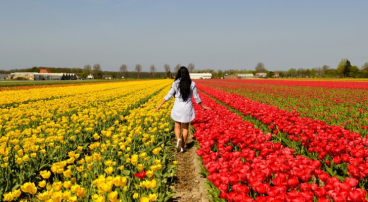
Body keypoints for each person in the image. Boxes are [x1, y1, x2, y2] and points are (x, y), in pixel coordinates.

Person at [156, 66, 210, 153]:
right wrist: (203, 106)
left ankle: (178, 140)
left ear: (179, 74)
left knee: (177, 126)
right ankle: (182, 146)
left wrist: (160, 105)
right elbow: (196, 97)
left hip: (178, 107)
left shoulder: (175, 83)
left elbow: (169, 95)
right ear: (187, 74)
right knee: (185, 127)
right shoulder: (192, 84)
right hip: (187, 108)